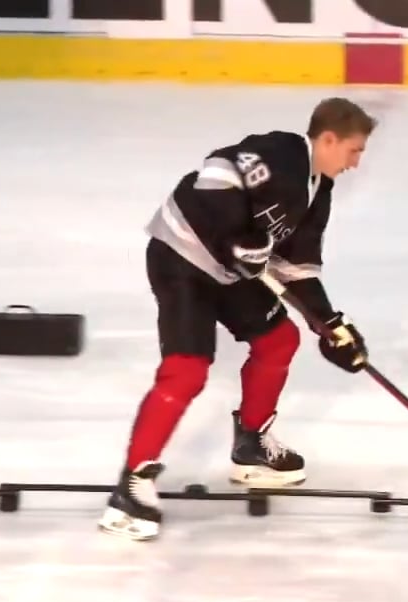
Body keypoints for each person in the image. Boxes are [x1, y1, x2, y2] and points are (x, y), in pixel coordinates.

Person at [98, 97, 377, 541]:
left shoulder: (317, 191)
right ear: (328, 139)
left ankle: (251, 447)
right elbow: (216, 172)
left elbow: (295, 269)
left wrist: (330, 325)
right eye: (354, 151)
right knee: (187, 370)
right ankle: (131, 486)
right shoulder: (283, 152)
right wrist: (236, 235)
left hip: (228, 271)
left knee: (279, 339)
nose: (356, 163)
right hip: (182, 257)